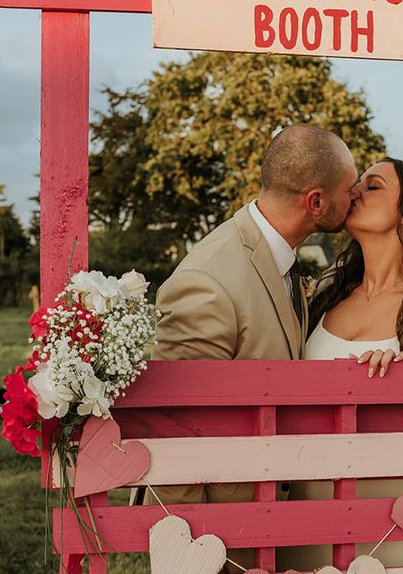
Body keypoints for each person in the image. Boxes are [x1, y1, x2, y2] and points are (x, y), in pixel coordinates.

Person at [145, 124, 360, 573]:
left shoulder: (275, 254)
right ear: (316, 201)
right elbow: (176, 431)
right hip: (223, 536)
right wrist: (192, 555)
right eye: (349, 188)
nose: (355, 196)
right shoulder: (208, 281)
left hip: (275, 517)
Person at [277, 157, 403, 571]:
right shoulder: (327, 291)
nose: (355, 192)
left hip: (387, 513)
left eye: (373, 186)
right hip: (305, 499)